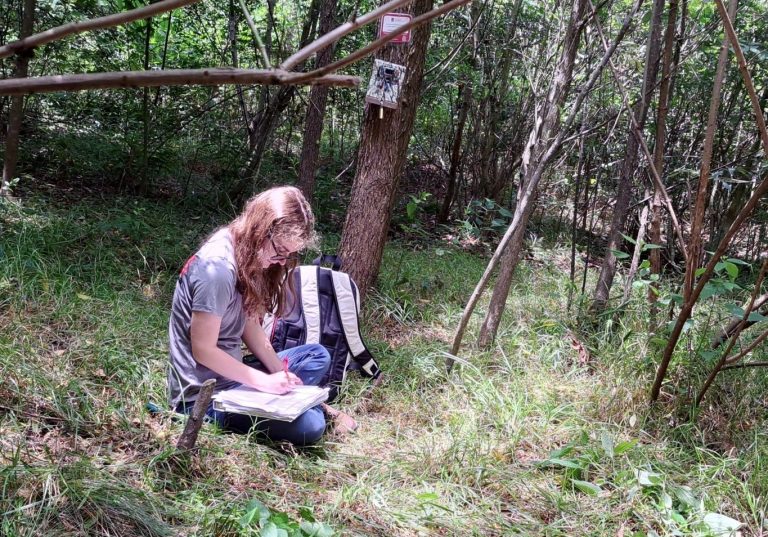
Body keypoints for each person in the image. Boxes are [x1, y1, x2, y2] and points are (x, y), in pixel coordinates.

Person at [168, 186, 356, 446]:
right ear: (261, 230)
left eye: (289, 255)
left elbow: (250, 325)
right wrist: (265, 382)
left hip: (233, 379)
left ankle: (300, 403)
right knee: (311, 427)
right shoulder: (217, 270)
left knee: (316, 355)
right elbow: (203, 350)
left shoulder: (246, 252)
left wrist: (282, 379)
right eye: (279, 251)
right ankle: (310, 411)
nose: (281, 261)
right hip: (204, 397)